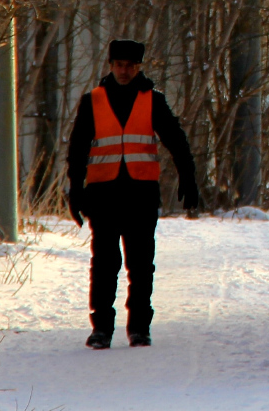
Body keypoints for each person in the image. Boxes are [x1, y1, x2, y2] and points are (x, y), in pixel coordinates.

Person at [67, 39, 198, 349]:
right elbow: (78, 148)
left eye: (129, 66)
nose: (124, 71)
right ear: (111, 66)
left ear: (138, 67)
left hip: (141, 194)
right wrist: (75, 189)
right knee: (104, 263)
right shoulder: (93, 101)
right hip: (103, 195)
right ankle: (101, 329)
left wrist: (188, 177)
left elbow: (176, 139)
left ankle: (139, 328)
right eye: (119, 65)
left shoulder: (153, 100)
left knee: (141, 265)